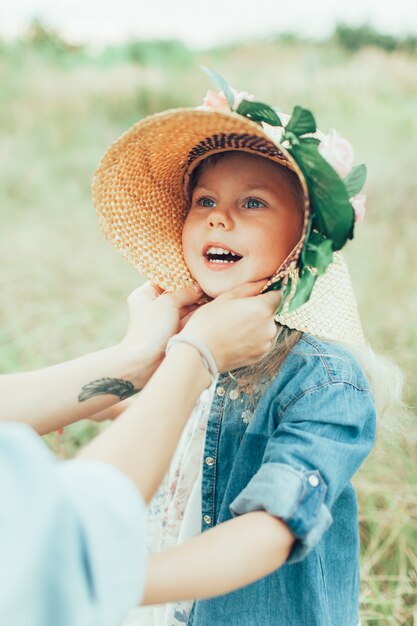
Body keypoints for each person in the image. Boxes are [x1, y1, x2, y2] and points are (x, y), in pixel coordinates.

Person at [93, 73, 402, 626]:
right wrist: (131, 366)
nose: (218, 216)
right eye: (204, 199)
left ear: (303, 242)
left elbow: (272, 529)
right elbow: (157, 414)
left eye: (253, 202)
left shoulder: (325, 379)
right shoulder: (189, 337)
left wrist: (120, 579)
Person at [0, 279, 283, 626]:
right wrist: (196, 355)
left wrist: (136, 359)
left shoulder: (323, 376)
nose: (218, 221)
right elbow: (68, 552)